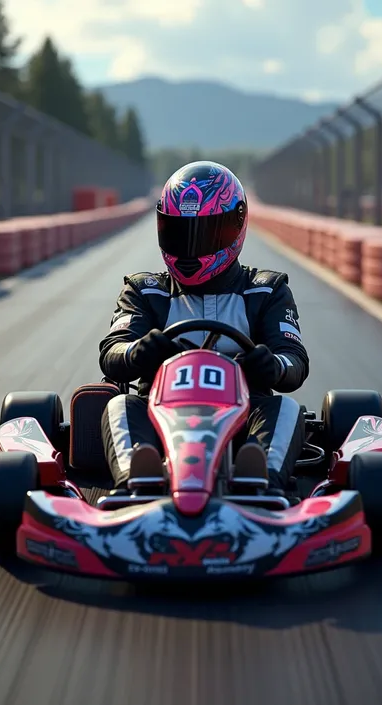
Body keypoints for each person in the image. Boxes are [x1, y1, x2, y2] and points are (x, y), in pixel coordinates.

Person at [99, 161, 309, 494]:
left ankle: (262, 480)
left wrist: (270, 365)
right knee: (119, 405)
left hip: (243, 420)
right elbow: (113, 351)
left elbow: (293, 360)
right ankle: (138, 479)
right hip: (159, 418)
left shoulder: (265, 290)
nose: (191, 247)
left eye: (206, 234)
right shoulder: (145, 290)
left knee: (283, 407)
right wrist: (139, 352)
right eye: (179, 234)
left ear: (235, 227)